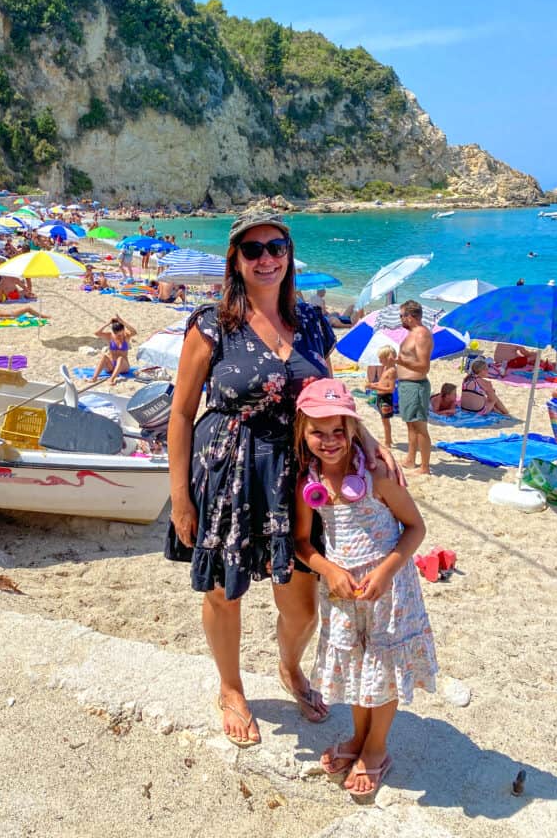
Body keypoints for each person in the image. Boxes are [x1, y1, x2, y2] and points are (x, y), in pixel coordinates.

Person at [167, 210, 394, 748]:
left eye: (276, 247)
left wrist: (369, 442)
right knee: (225, 590)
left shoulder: (313, 321)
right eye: (253, 250)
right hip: (227, 471)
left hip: (296, 478)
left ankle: (289, 668)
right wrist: (180, 496)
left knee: (302, 603)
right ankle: (230, 688)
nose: (266, 258)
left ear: (289, 255)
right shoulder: (210, 323)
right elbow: (180, 413)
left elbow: (331, 403)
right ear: (236, 261)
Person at [293, 379, 436, 798]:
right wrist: (327, 569)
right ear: (302, 431)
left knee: (385, 669)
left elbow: (415, 528)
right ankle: (357, 738)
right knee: (357, 669)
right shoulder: (309, 482)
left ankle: (376, 748)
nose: (330, 441)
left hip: (389, 592)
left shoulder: (375, 475)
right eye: (318, 432)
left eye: (339, 431)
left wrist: (388, 571)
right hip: (342, 593)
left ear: (354, 429)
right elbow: (303, 543)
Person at [395, 300, 433, 475]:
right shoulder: (411, 333)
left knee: (420, 427)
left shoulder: (421, 334)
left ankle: (424, 467)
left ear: (410, 317)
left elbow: (424, 366)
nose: (400, 319)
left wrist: (401, 361)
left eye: (402, 315)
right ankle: (410, 460)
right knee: (410, 424)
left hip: (416, 385)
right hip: (407, 385)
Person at [92, 315, 136, 385]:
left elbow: (134, 332)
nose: (118, 336)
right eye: (116, 334)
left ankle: (111, 379)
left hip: (123, 367)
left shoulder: (126, 336)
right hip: (111, 366)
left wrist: (122, 322)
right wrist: (108, 323)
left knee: (120, 358)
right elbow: (96, 333)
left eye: (120, 334)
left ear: (123, 330)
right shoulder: (110, 336)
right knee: (104, 357)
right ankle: (94, 378)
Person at [368, 345, 397, 446]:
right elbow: (381, 382)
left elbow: (391, 389)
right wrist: (373, 385)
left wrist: (375, 387)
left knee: (386, 421)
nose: (380, 362)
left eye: (381, 359)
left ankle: (388, 441)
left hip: (386, 398)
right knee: (383, 419)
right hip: (381, 397)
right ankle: (388, 439)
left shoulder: (392, 371)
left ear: (388, 358)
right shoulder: (385, 368)